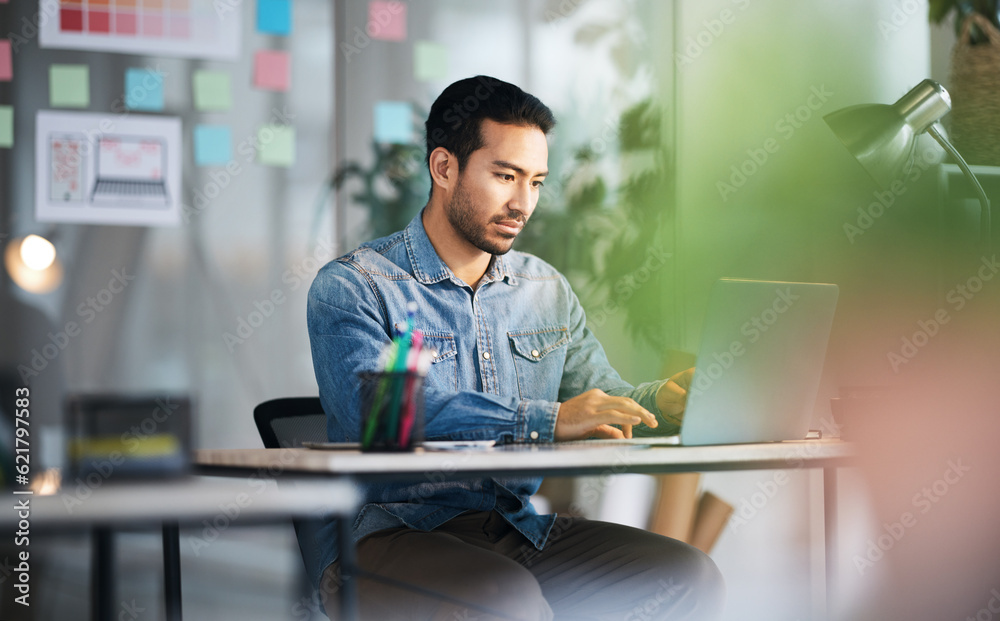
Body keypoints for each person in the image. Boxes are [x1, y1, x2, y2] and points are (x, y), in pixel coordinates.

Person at [307, 75, 724, 620]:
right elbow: (386, 417)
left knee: (685, 576)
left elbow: (598, 397)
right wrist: (544, 419)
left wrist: (659, 405)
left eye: (536, 182)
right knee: (507, 599)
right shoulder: (355, 286)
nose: (522, 203)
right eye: (505, 176)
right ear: (443, 168)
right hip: (389, 533)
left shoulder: (542, 289)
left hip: (511, 527)